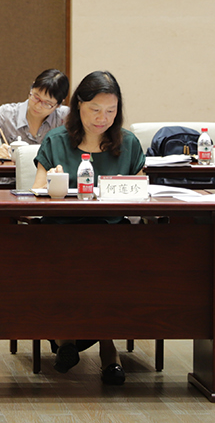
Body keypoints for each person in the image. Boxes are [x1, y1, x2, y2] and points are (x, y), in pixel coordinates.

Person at [31, 70, 145, 386]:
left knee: (107, 264)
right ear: (78, 105)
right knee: (75, 262)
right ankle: (87, 345)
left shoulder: (129, 144)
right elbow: (36, 193)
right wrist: (52, 182)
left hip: (111, 236)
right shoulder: (56, 141)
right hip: (61, 234)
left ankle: (91, 346)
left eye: (110, 111)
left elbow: (142, 195)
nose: (102, 118)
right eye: (95, 109)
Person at [0, 68, 70, 157]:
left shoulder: (65, 118)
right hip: (11, 175)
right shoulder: (6, 114)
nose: (38, 106)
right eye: (36, 97)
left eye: (47, 103)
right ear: (32, 88)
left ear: (59, 104)